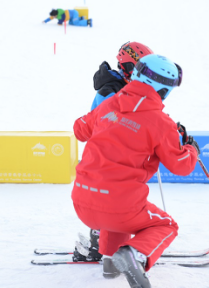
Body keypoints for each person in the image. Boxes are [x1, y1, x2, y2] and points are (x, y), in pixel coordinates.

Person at [71, 54, 201, 288]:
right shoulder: (161, 123)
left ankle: (111, 262)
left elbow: (80, 130)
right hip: (120, 207)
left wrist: (104, 103)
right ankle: (136, 255)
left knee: (116, 219)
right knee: (166, 225)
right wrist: (191, 148)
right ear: (164, 90)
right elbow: (181, 166)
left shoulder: (108, 105)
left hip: (82, 203)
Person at [72, 42, 154, 268]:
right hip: (107, 154)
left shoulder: (120, 85)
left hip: (111, 153)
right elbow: (117, 123)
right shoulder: (111, 90)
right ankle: (101, 246)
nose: (142, 75)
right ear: (125, 66)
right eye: (138, 68)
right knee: (110, 199)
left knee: (113, 199)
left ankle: (109, 246)